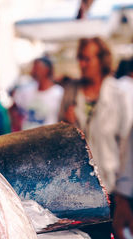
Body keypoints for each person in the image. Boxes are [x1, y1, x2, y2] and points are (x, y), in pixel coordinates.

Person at [59, 37, 127, 193]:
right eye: (80, 58)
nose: (82, 64)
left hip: (112, 185)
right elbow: (59, 139)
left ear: (102, 61)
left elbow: (125, 145)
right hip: (78, 186)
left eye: (87, 59)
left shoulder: (118, 94)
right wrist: (67, 127)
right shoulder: (70, 92)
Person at [12, 57, 64, 130]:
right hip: (26, 136)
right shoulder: (27, 90)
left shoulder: (58, 93)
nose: (33, 71)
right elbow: (14, 107)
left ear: (46, 70)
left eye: (36, 68)